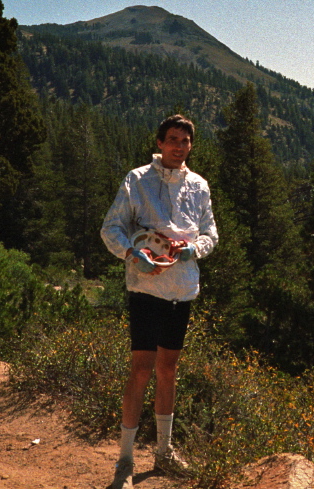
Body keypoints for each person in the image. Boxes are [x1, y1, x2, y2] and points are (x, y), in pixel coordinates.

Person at [100, 114, 218, 488]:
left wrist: (193, 249)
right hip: (146, 289)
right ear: (160, 142)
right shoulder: (138, 180)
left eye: (184, 141)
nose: (178, 147)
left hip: (181, 289)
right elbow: (111, 227)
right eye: (172, 140)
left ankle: (164, 453)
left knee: (168, 370)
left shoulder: (199, 186)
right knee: (141, 370)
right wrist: (133, 255)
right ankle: (125, 460)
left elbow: (211, 232)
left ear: (190, 146)